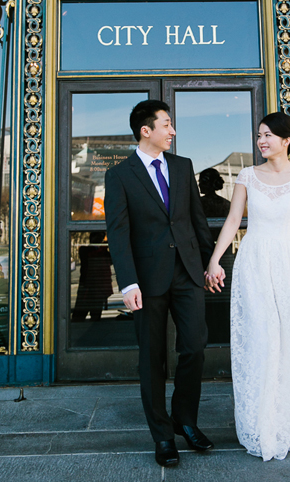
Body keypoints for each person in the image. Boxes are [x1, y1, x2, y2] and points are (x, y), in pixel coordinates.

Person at [205, 112, 290, 460]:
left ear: (286, 140)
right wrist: (216, 259)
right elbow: (234, 220)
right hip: (255, 261)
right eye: (259, 135)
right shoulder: (247, 175)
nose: (262, 141)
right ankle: (263, 422)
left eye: (268, 135)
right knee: (261, 339)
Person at [105, 100, 218, 468]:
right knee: (152, 358)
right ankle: (163, 435)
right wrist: (127, 283)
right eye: (167, 124)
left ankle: (184, 419)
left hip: (187, 273)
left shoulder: (183, 167)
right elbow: (118, 234)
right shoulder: (120, 175)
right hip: (147, 280)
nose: (172, 131)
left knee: (195, 346)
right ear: (146, 130)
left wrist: (210, 262)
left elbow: (197, 222)